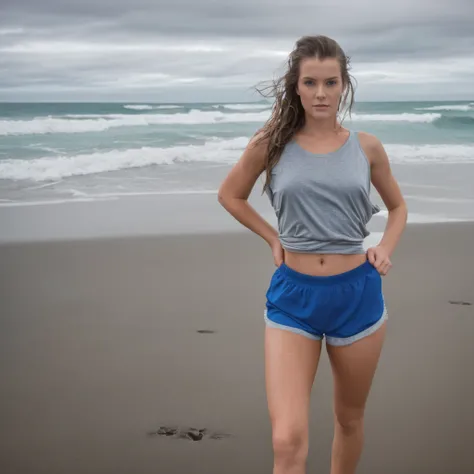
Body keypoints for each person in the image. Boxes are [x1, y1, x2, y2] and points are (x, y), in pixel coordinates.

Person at [217, 35, 407, 474]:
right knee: (286, 440)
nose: (321, 93)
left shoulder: (367, 147)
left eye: (331, 82)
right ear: (296, 86)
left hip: (357, 296)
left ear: (344, 85)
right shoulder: (271, 143)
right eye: (310, 82)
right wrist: (272, 237)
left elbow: (398, 207)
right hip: (293, 298)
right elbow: (231, 195)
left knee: (349, 418)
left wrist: (384, 248)